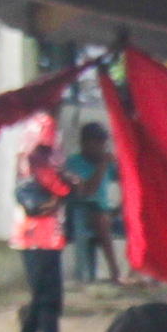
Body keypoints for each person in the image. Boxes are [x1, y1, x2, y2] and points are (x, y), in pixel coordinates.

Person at [11, 135, 71, 332]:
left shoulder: (53, 182)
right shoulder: (27, 185)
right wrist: (59, 193)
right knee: (46, 301)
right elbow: (37, 210)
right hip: (34, 244)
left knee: (46, 302)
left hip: (51, 244)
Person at [61, 120, 117, 282]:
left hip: (104, 211)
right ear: (85, 142)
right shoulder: (74, 163)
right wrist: (102, 165)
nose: (100, 146)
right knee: (102, 219)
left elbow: (126, 180)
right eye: (96, 141)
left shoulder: (106, 163)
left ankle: (141, 272)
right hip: (80, 212)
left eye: (102, 142)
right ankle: (115, 270)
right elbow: (87, 192)